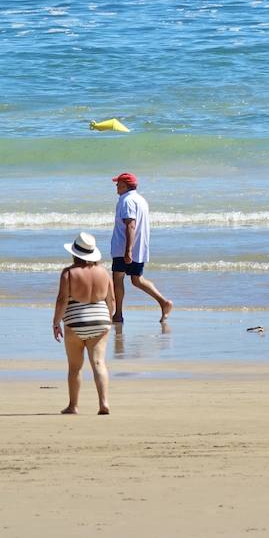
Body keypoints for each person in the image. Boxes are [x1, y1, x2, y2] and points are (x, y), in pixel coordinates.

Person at [53, 232, 115, 415]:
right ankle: (104, 402)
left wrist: (56, 322)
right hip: (100, 320)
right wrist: (109, 319)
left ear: (75, 253)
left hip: (75, 321)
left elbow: (62, 300)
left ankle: (73, 405)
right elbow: (111, 299)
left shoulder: (69, 273)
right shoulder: (104, 272)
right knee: (98, 362)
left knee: (75, 366)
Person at [110, 173, 173, 323]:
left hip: (124, 248)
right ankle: (164, 302)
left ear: (125, 185)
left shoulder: (127, 200)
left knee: (117, 278)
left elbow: (130, 225)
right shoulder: (140, 200)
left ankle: (118, 315)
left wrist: (128, 250)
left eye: (118, 184)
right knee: (137, 279)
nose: (116, 186)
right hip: (139, 247)